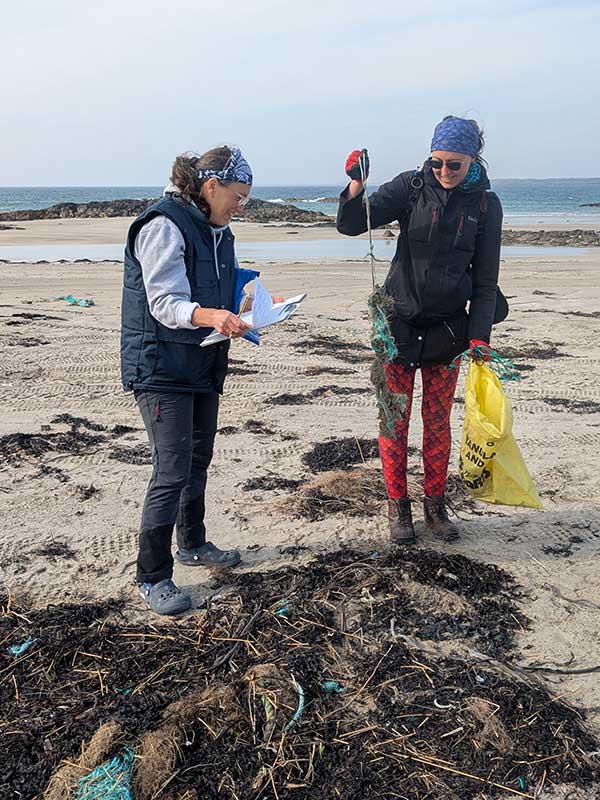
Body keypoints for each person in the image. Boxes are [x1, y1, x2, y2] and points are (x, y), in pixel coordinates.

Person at [120, 145, 282, 615]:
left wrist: (248, 306)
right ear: (211, 187)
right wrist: (213, 315)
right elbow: (165, 302)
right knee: (171, 468)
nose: (240, 206)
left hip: (203, 362)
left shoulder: (219, 230)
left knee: (198, 459)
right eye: (238, 195)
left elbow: (215, 285)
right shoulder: (163, 225)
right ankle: (152, 576)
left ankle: (192, 543)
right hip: (160, 365)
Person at [337, 116, 504, 544]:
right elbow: (352, 224)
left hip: (449, 331)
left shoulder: (486, 206)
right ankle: (398, 509)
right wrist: (356, 186)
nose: (444, 172)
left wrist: (479, 338)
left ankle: (435, 507)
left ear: (474, 161)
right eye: (437, 163)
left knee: (437, 422)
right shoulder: (410, 187)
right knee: (394, 421)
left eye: (455, 165)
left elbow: (485, 282)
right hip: (397, 327)